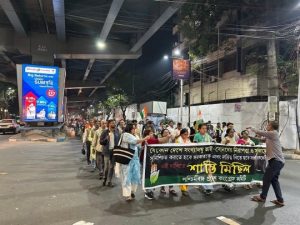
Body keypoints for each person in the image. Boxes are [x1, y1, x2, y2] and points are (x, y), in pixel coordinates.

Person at [249, 122, 285, 207]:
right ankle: (280, 200)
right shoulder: (270, 136)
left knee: (266, 178)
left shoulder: (273, 133)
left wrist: (252, 128)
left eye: (268, 125)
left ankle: (262, 197)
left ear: (271, 127)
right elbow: (262, 140)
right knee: (274, 180)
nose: (267, 126)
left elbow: (261, 132)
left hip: (276, 161)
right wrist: (250, 137)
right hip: (277, 161)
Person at [115, 123, 150, 201]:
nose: (135, 129)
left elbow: (138, 146)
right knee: (127, 177)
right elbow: (134, 141)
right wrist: (144, 139)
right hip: (127, 159)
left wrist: (144, 145)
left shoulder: (135, 135)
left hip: (134, 159)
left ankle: (132, 191)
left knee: (135, 177)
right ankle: (127, 195)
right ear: (130, 129)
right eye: (134, 128)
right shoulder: (125, 135)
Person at [193, 123, 214, 195]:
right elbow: (195, 146)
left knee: (208, 171)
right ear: (199, 129)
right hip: (199, 157)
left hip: (207, 156)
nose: (205, 130)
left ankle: (209, 187)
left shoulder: (208, 135)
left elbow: (212, 142)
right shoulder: (197, 135)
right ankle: (199, 183)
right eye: (203, 128)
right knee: (199, 171)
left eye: (205, 128)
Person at [100, 120, 121, 187]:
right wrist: (106, 139)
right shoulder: (104, 132)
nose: (113, 124)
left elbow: (119, 142)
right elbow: (101, 142)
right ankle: (104, 179)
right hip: (107, 152)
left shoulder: (117, 132)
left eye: (114, 123)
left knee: (111, 167)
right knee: (106, 167)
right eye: (112, 123)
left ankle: (109, 181)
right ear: (109, 124)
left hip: (114, 152)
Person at [176, 128, 192, 196]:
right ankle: (183, 189)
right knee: (182, 175)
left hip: (188, 160)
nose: (186, 135)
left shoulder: (188, 140)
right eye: (185, 134)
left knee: (187, 174)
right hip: (180, 160)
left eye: (187, 134)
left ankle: (185, 188)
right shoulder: (177, 141)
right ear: (181, 134)